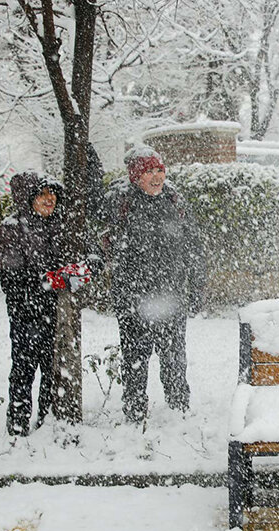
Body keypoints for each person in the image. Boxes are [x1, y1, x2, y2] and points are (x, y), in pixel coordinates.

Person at [102, 147, 206, 423]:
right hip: (134, 297)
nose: (157, 176)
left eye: (159, 169)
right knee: (135, 358)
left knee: (174, 357)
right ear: (136, 176)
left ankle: (178, 410)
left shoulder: (174, 201)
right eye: (149, 171)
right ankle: (135, 412)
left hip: (170, 295)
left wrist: (196, 287)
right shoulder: (121, 202)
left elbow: (193, 246)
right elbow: (106, 242)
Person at [0, 172, 65, 435]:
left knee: (52, 370)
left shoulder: (60, 224)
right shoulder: (12, 229)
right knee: (24, 369)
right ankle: (18, 424)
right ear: (28, 198)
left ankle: (47, 421)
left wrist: (85, 267)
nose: (50, 199)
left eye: (52, 194)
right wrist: (49, 280)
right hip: (26, 313)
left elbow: (86, 252)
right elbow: (11, 276)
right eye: (42, 194)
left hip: (55, 312)